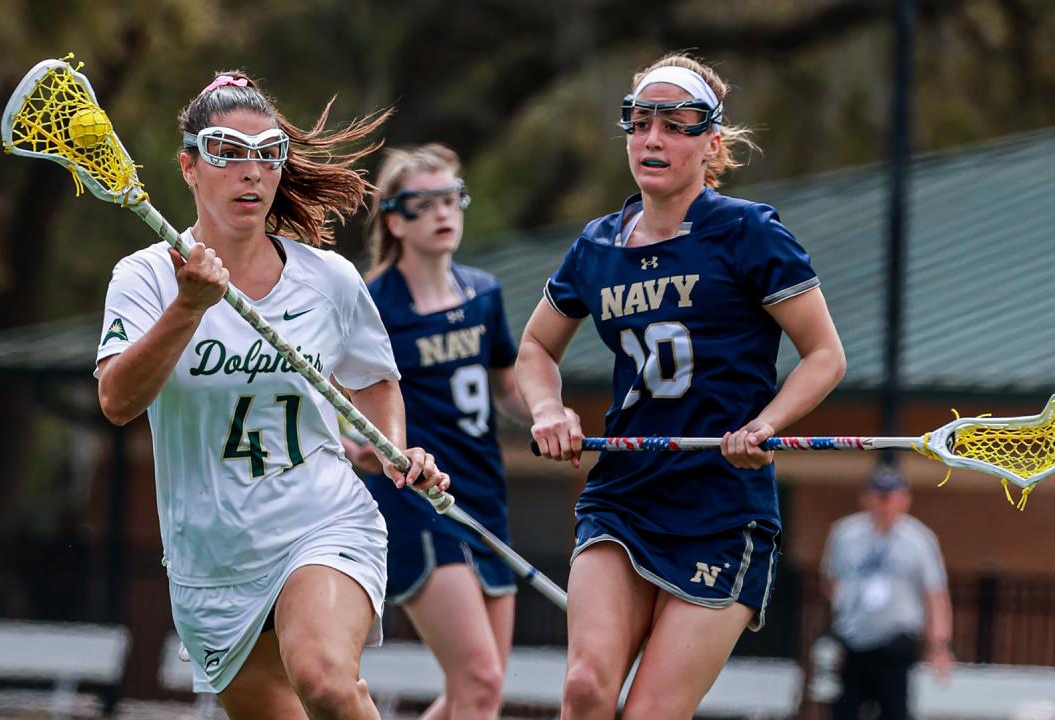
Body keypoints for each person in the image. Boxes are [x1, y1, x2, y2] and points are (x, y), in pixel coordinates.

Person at [95, 71, 448, 720]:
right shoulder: (145, 278)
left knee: (326, 682)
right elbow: (117, 400)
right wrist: (187, 309)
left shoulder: (330, 280)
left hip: (322, 522)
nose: (250, 172)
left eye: (267, 155)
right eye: (228, 152)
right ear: (190, 166)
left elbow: (373, 380)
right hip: (213, 562)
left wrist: (388, 449)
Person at [516, 52, 847, 719]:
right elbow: (534, 347)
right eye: (640, 123)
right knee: (583, 690)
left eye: (676, 123)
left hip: (722, 507)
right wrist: (547, 407)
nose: (653, 139)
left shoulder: (748, 233)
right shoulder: (597, 246)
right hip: (624, 492)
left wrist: (767, 424)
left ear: (711, 143)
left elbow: (824, 355)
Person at [344, 143, 530, 719]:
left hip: (485, 495)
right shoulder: (370, 302)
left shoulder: (484, 293)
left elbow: (510, 389)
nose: (444, 213)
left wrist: (551, 414)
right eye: (425, 204)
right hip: (418, 501)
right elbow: (343, 406)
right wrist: (363, 447)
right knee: (478, 679)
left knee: (478, 693)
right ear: (395, 219)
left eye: (452, 198)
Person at [820, 464, 953, 720]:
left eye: (891, 496)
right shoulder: (845, 534)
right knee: (843, 710)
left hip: (895, 642)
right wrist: (845, 608)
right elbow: (830, 579)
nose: (885, 504)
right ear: (866, 497)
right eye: (879, 496)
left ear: (905, 499)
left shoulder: (919, 539)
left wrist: (939, 645)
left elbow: (935, 595)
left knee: (894, 711)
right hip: (853, 640)